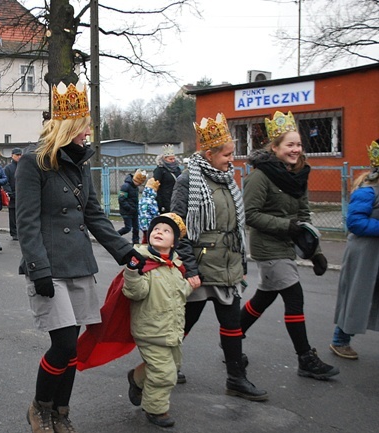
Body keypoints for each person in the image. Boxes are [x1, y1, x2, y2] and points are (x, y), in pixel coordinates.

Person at [16, 80, 146, 433]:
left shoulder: (81, 164)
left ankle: (61, 411)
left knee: (72, 347)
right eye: (85, 126)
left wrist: (126, 253)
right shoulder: (33, 163)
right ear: (69, 127)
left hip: (78, 265)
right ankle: (40, 408)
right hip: (49, 267)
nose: (89, 132)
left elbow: (93, 214)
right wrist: (37, 268)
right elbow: (26, 223)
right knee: (63, 343)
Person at [171, 113, 268, 401]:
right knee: (183, 325)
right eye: (226, 155)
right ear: (209, 154)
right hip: (200, 269)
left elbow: (238, 227)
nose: (232, 160)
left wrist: (243, 265)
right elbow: (177, 227)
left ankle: (236, 379)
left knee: (232, 325)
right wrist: (189, 269)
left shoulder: (228, 180)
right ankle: (160, 367)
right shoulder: (187, 181)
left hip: (228, 268)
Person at [240, 111, 339, 380]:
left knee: (264, 298)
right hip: (268, 247)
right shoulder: (260, 177)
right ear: (275, 148)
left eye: (298, 145)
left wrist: (315, 252)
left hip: (288, 246)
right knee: (294, 297)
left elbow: (304, 216)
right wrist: (287, 226)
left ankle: (232, 338)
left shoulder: (298, 174)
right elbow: (250, 215)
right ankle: (306, 358)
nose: (296, 150)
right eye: (290, 145)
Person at [123, 213, 196, 428]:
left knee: (172, 365)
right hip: (150, 329)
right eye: (156, 229)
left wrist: (191, 284)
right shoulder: (142, 261)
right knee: (164, 372)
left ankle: (136, 380)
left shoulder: (175, 265)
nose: (159, 232)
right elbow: (135, 292)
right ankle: (156, 410)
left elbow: (179, 292)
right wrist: (132, 272)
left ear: (174, 241)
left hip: (171, 329)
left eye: (166, 230)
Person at [329, 139, 379, 360]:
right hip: (365, 253)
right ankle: (340, 340)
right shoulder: (368, 191)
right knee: (358, 295)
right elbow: (355, 222)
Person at [117, 169, 146, 244]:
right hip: (127, 211)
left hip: (134, 210)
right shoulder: (125, 186)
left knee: (136, 228)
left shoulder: (135, 188)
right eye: (138, 182)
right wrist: (129, 208)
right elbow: (121, 199)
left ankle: (135, 242)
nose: (139, 184)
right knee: (127, 228)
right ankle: (115, 236)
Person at [153, 144, 182, 213]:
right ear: (164, 159)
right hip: (165, 200)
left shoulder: (177, 169)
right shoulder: (159, 170)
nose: (173, 161)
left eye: (173, 158)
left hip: (177, 198)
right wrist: (160, 203)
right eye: (170, 159)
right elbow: (156, 186)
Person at [4, 147, 22, 240]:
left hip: (22, 195)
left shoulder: (23, 166)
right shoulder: (8, 168)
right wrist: (10, 193)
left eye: (20, 155)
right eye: (17, 155)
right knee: (13, 215)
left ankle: (20, 231)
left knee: (21, 214)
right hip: (13, 195)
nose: (19, 157)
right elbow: (5, 181)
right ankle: (14, 232)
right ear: (12, 156)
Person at [138, 177, 160, 244]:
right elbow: (155, 213)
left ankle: (142, 248)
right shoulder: (152, 201)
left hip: (142, 223)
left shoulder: (141, 200)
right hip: (150, 223)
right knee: (150, 237)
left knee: (145, 236)